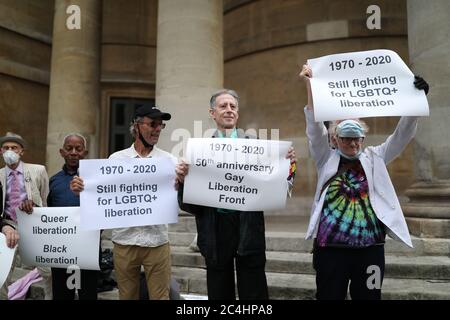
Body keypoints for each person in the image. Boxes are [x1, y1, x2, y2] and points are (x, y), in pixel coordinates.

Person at [299, 64, 429, 300]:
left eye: (357, 137)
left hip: (371, 250)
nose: (353, 143)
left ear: (363, 137)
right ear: (335, 139)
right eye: (347, 138)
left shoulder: (375, 157)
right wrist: (310, 85)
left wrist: (415, 103)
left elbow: (401, 136)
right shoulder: (325, 158)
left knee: (370, 297)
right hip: (330, 250)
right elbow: (313, 129)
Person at [176, 89, 297, 300]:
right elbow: (189, 205)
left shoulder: (258, 147)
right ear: (212, 113)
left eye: (233, 106)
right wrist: (184, 182)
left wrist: (287, 164)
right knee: (219, 292)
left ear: (238, 114)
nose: (229, 110)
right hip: (215, 230)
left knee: (254, 292)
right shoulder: (198, 151)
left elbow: (281, 185)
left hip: (248, 229)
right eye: (223, 106)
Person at [71, 106, 176, 300]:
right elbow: (101, 195)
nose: (158, 129)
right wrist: (82, 190)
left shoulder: (169, 161)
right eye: (152, 124)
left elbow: (178, 197)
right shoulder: (116, 159)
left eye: (161, 124)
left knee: (161, 297)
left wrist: (183, 183)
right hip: (125, 242)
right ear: (136, 126)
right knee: (127, 297)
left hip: (157, 241)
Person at [0, 132, 51, 300]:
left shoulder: (38, 170)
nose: (10, 151)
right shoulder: (0, 175)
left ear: (22, 151)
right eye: (6, 148)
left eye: (14, 148)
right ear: (1, 151)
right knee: (3, 274)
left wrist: (35, 207)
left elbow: (45, 199)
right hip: (8, 226)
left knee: (48, 271)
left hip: (34, 224)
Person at [47, 133, 99, 300]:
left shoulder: (95, 180)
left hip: (87, 247)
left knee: (87, 293)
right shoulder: (54, 181)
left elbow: (103, 211)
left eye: (78, 148)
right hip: (61, 248)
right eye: (69, 148)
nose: (74, 152)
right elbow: (48, 211)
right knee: (62, 294)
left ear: (85, 152)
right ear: (62, 152)